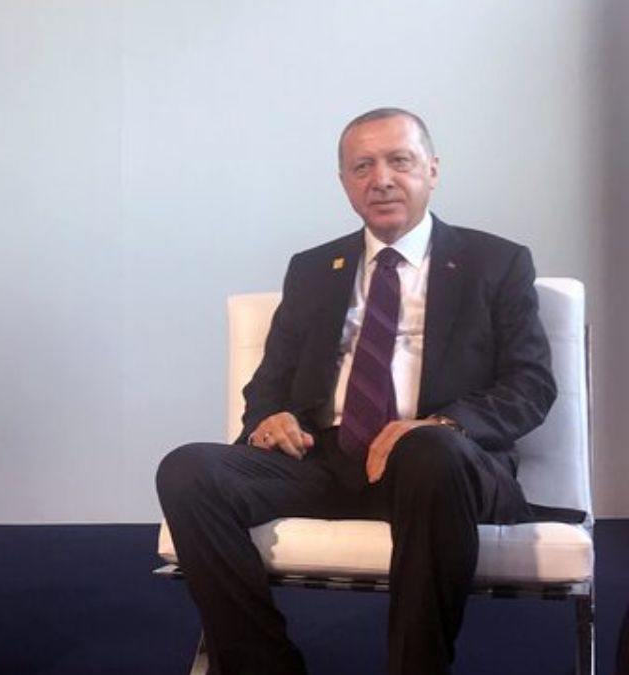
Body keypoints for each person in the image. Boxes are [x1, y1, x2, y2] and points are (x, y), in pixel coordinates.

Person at [155, 108, 556, 675]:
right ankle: (262, 664)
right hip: (328, 459)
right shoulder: (315, 268)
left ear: (432, 170)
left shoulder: (496, 262)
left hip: (444, 468)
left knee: (428, 453)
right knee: (187, 469)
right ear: (344, 182)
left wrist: (439, 426)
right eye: (361, 166)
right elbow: (267, 383)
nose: (381, 179)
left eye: (400, 161)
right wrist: (271, 416)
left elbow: (530, 386)